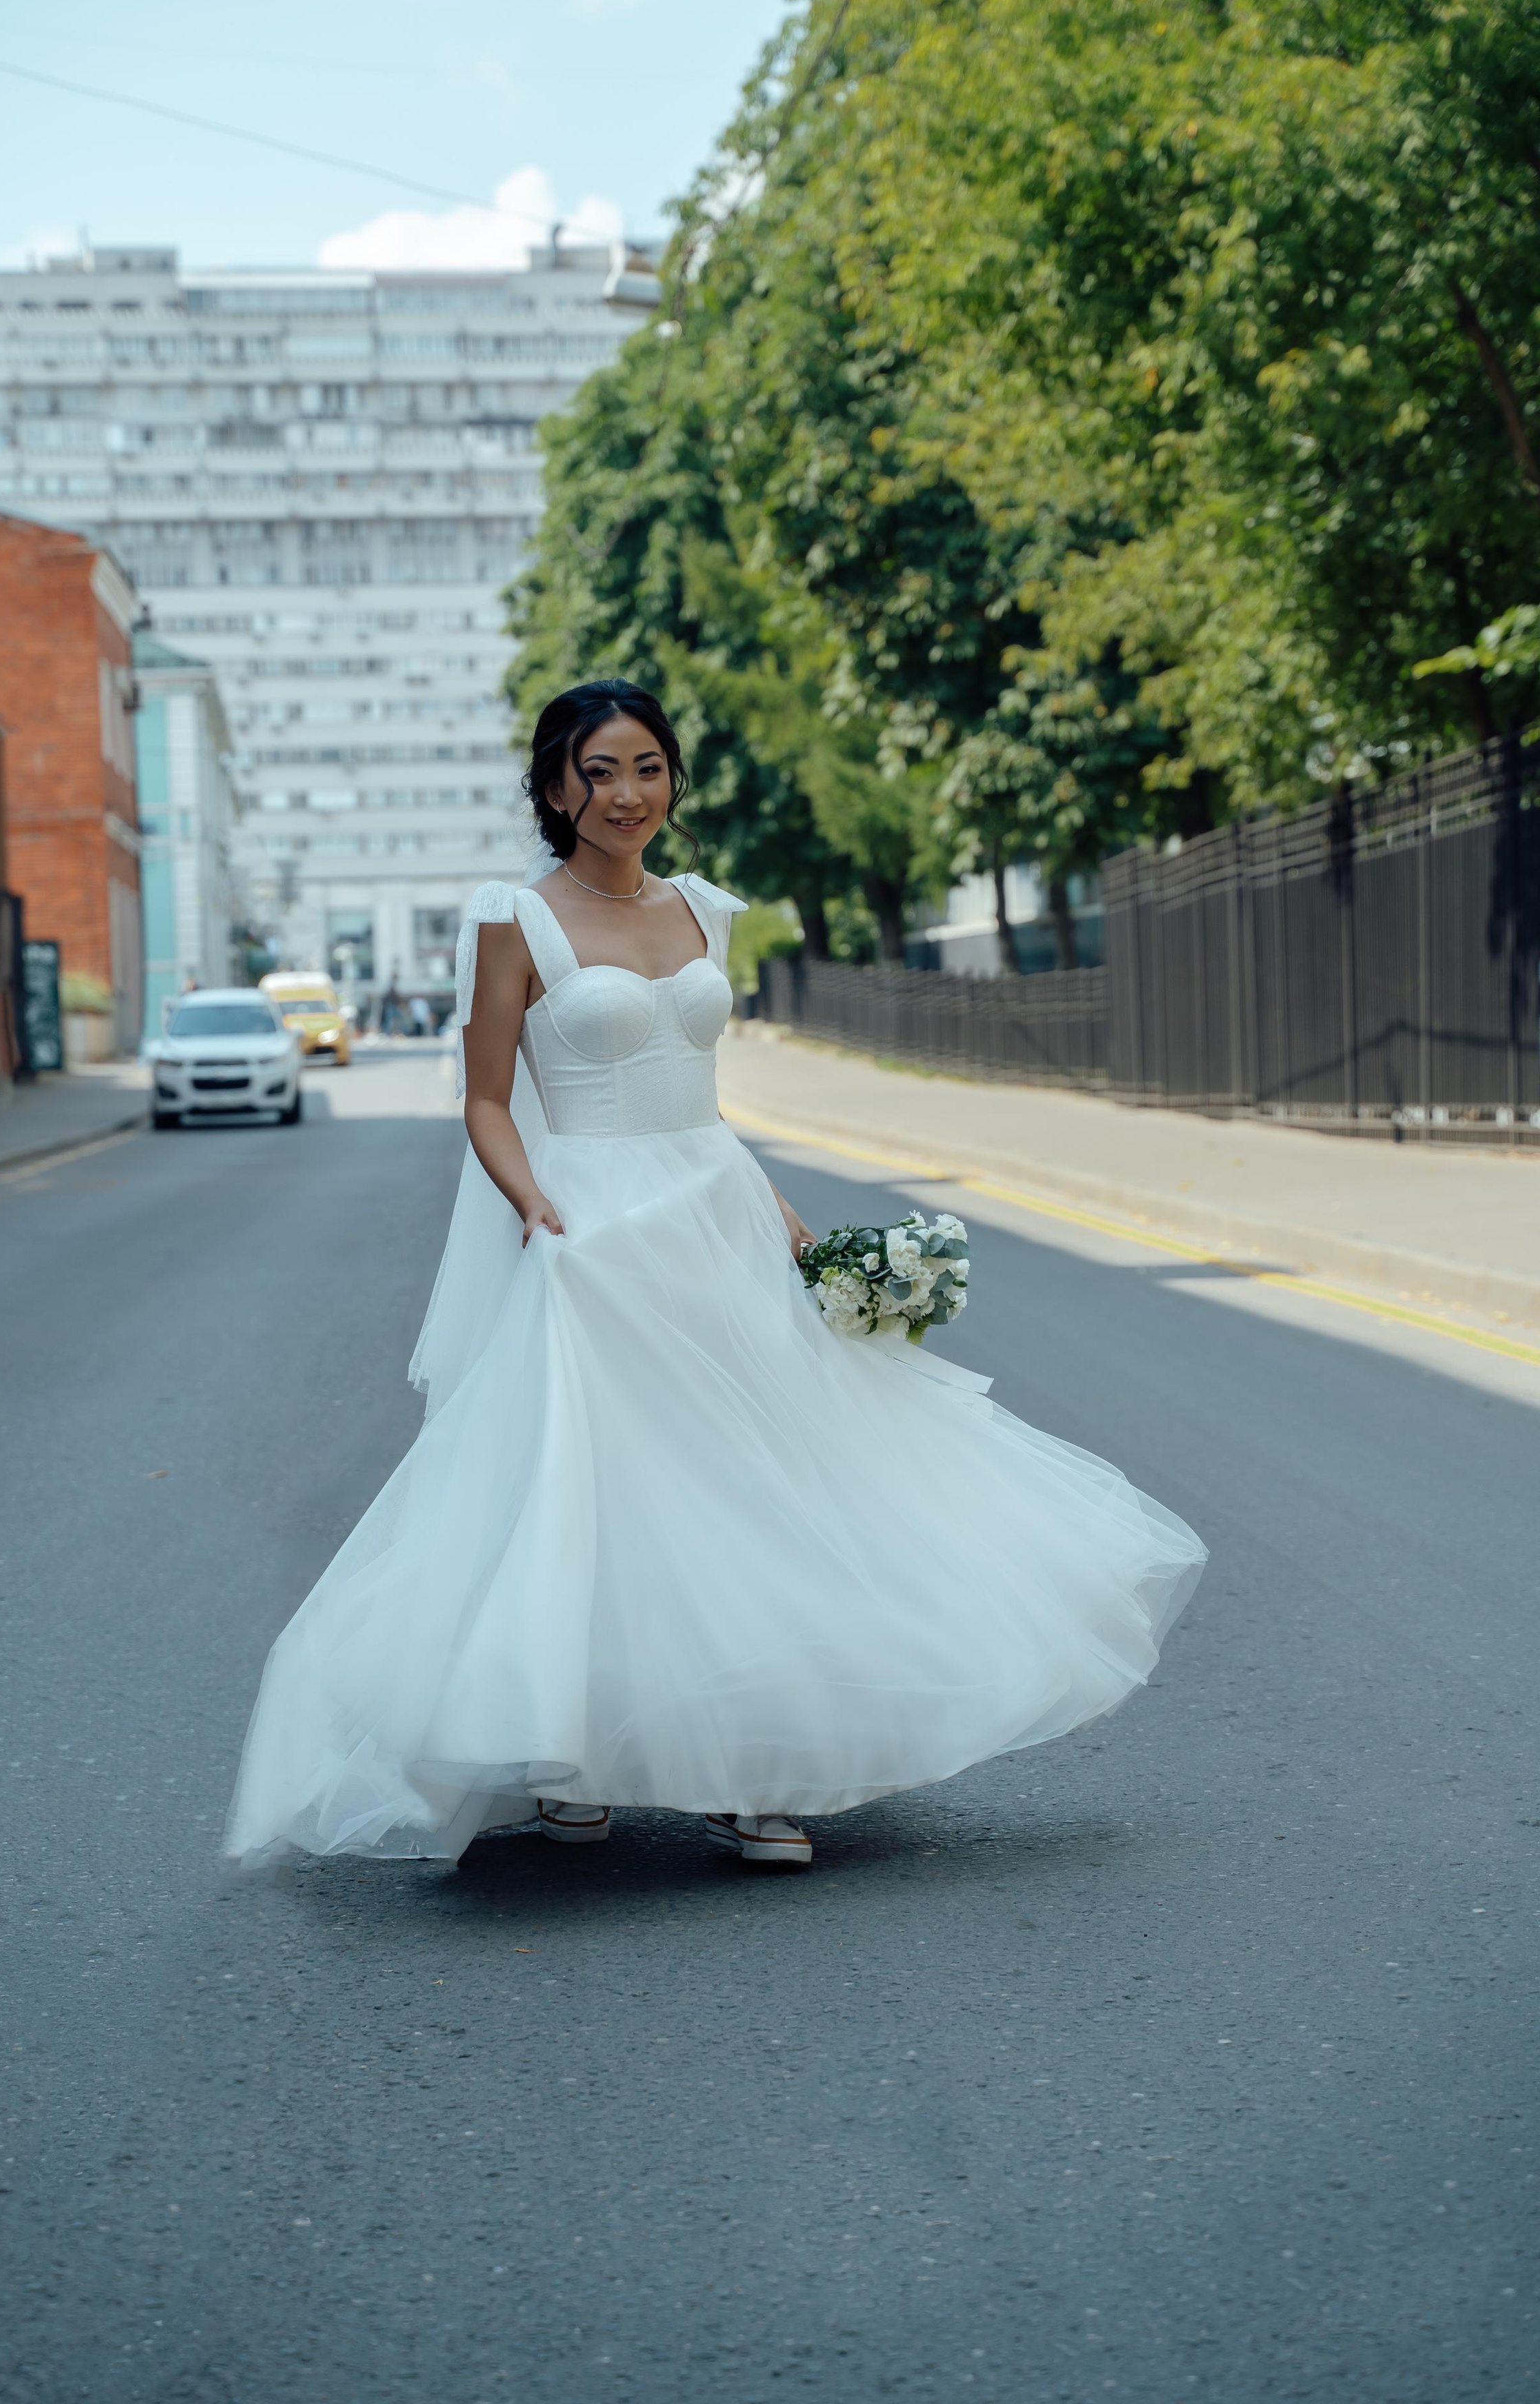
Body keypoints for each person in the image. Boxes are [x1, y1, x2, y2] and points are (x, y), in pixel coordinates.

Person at [225, 681, 1205, 1870]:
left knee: (756, 1478)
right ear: (555, 789)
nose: (626, 793)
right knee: (604, 1498)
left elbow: (704, 1103)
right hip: (592, 1236)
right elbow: (486, 1098)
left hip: (717, 1215)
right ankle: (585, 1762)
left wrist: (793, 1226)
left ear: (671, 780)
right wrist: (531, 1196)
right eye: (599, 771)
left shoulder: (704, 910)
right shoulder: (515, 921)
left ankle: (748, 1765)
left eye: (647, 766)